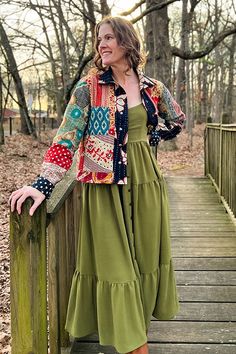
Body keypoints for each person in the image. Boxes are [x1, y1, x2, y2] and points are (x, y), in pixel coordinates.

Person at [9, 16, 185, 354]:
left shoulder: (153, 87)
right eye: (98, 40)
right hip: (104, 187)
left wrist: (150, 136)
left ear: (126, 42)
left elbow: (177, 120)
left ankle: (138, 323)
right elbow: (66, 139)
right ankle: (136, 344)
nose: (101, 45)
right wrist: (42, 185)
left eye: (108, 38)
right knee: (116, 262)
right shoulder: (88, 89)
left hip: (147, 182)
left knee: (146, 257)